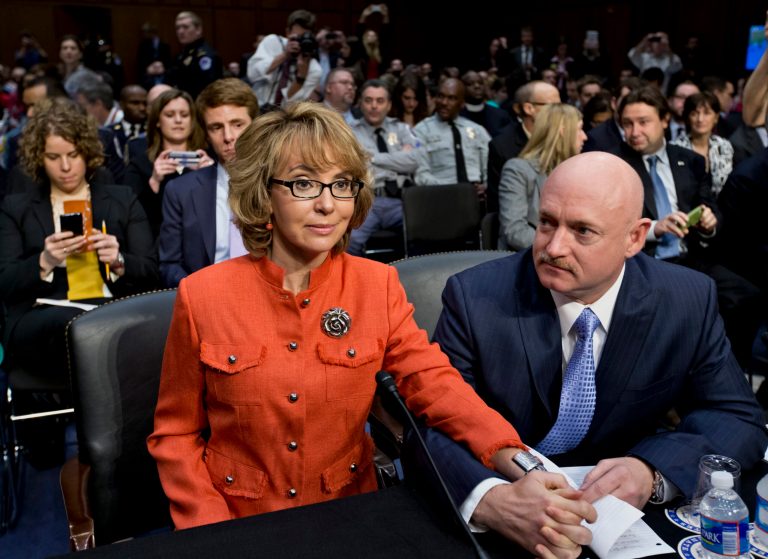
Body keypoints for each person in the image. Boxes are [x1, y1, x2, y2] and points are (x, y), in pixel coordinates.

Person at [146, 103, 576, 549]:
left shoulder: (377, 284)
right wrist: (213, 533)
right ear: (263, 192)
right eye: (304, 183)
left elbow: (435, 384)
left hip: (350, 516)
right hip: (238, 521)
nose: (328, 204)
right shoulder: (202, 296)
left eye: (342, 184)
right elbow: (175, 435)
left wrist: (519, 460)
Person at [409, 151, 767, 551]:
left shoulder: (684, 298)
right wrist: (494, 501)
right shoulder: (476, 298)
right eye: (546, 223)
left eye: (582, 231)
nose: (553, 247)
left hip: (622, 521)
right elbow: (429, 426)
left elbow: (736, 415)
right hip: (504, 506)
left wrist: (650, 471)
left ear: (634, 237)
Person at [0, 97, 158, 377]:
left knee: (106, 323)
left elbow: (152, 270)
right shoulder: (16, 208)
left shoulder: (122, 200)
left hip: (109, 306)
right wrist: (44, 262)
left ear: (86, 152)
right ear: (39, 158)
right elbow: (5, 282)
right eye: (53, 157)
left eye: (73, 155)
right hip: (42, 315)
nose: (65, 167)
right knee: (81, 324)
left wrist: (119, 261)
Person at [158, 78, 259, 287]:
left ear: (255, 125)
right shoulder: (181, 191)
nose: (228, 136)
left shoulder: (280, 183)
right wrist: (201, 293)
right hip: (207, 299)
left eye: (237, 124)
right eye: (216, 127)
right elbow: (169, 265)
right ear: (206, 133)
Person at [124, 88, 213, 238]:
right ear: (157, 121)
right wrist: (153, 183)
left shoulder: (209, 159)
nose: (178, 120)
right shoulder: (140, 164)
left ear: (192, 121)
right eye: (170, 115)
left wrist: (213, 178)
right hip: (159, 243)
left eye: (184, 115)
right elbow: (132, 219)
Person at [498, 104, 586, 251]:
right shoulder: (518, 170)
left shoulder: (580, 171)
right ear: (563, 132)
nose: (585, 136)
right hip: (527, 259)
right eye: (579, 129)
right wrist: (563, 247)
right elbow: (515, 232)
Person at [348, 79, 420, 256]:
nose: (374, 106)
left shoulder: (402, 129)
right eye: (368, 100)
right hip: (367, 202)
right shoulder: (349, 132)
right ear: (360, 103)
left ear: (388, 105)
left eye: (380, 101)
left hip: (402, 201)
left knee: (425, 229)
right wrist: (399, 158)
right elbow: (355, 164)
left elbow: (416, 160)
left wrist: (372, 157)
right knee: (350, 242)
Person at [487, 80, 560, 212]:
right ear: (528, 108)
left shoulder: (562, 138)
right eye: (553, 106)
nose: (560, 113)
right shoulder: (502, 146)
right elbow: (499, 205)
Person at [413, 78, 490, 199]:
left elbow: (489, 168)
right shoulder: (421, 131)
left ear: (462, 103)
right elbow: (420, 174)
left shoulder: (478, 131)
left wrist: (486, 186)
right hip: (440, 196)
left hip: (476, 198)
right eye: (440, 96)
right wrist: (452, 189)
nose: (444, 102)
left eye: (452, 98)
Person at [247, 9, 322, 110]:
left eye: (303, 39)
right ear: (287, 32)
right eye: (297, 38)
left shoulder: (314, 68)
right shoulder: (272, 42)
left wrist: (301, 77)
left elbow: (292, 104)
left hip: (282, 117)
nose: (299, 44)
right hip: (256, 108)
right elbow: (252, 74)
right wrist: (284, 55)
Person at [671, 91, 734, 196]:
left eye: (706, 113)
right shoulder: (675, 148)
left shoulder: (724, 146)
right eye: (694, 114)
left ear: (716, 117)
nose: (700, 119)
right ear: (687, 118)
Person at [167, 11, 222, 99]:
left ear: (198, 29)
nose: (180, 31)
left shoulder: (205, 55)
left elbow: (208, 88)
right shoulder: (181, 54)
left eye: (185, 27)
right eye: (177, 28)